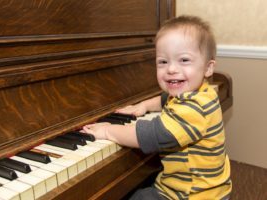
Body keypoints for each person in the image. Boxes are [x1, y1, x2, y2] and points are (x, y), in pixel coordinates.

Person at [82, 15, 232, 200]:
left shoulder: (193, 109)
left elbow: (150, 135)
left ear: (208, 68)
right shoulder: (202, 92)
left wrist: (108, 131)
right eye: (163, 62)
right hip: (209, 186)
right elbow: (164, 99)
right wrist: (143, 106)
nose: (171, 69)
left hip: (193, 194)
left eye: (184, 60)